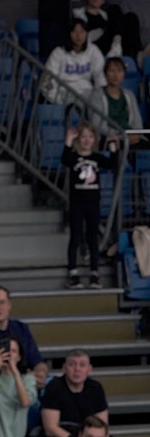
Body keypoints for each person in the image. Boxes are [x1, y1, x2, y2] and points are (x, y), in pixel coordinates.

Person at [40, 349, 129, 437]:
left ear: (89, 369)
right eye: (72, 365)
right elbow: (51, 428)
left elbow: (103, 424)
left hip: (90, 436)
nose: (77, 369)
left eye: (82, 365)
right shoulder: (54, 387)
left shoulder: (95, 388)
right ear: (64, 368)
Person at [62, 121, 119, 289]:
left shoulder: (97, 158)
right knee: (76, 237)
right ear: (79, 139)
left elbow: (112, 164)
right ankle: (73, 274)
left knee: (92, 238)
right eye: (84, 137)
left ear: (95, 139)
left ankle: (94, 274)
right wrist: (68, 140)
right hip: (77, 205)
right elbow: (64, 159)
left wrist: (113, 148)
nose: (87, 140)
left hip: (93, 204)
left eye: (90, 137)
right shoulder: (73, 157)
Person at [0, 286, 48, 387]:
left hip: (25, 384)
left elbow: (36, 359)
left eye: (2, 302)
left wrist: (41, 373)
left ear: (9, 305)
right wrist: (24, 377)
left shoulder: (22, 328)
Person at [43, 19, 106, 105]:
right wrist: (56, 100)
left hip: (87, 94)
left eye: (82, 32)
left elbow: (101, 77)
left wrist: (101, 96)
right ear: (69, 33)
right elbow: (47, 78)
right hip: (63, 94)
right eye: (75, 32)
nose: (78, 36)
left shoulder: (93, 51)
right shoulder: (58, 52)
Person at [88, 57, 145, 149]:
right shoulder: (96, 95)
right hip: (109, 137)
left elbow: (137, 122)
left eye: (119, 71)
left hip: (129, 136)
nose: (116, 75)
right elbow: (97, 124)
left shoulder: (129, 95)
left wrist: (136, 133)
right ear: (105, 73)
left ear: (124, 74)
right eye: (112, 71)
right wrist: (121, 135)